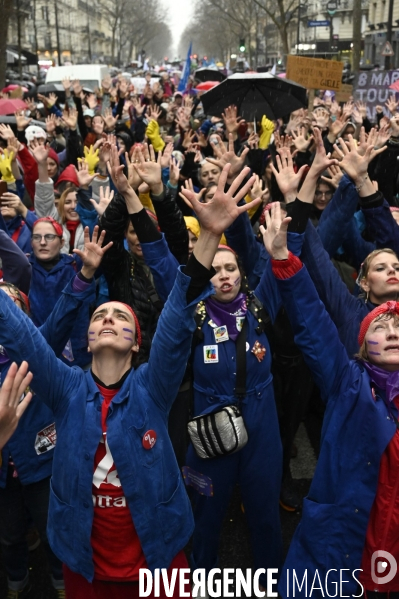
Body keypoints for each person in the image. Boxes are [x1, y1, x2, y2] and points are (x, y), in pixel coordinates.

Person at [0, 151, 259, 599]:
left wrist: (211, 235)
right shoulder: (65, 388)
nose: (105, 320)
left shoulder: (153, 386)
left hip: (158, 560)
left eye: (120, 318)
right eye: (99, 315)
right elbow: (21, 335)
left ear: (138, 342)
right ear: (88, 332)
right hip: (84, 564)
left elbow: (178, 313)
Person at [261, 201, 399, 598]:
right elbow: (312, 320)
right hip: (337, 549)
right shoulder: (346, 381)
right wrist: (284, 262)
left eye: (398, 325)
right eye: (380, 325)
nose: (390, 331)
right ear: (361, 342)